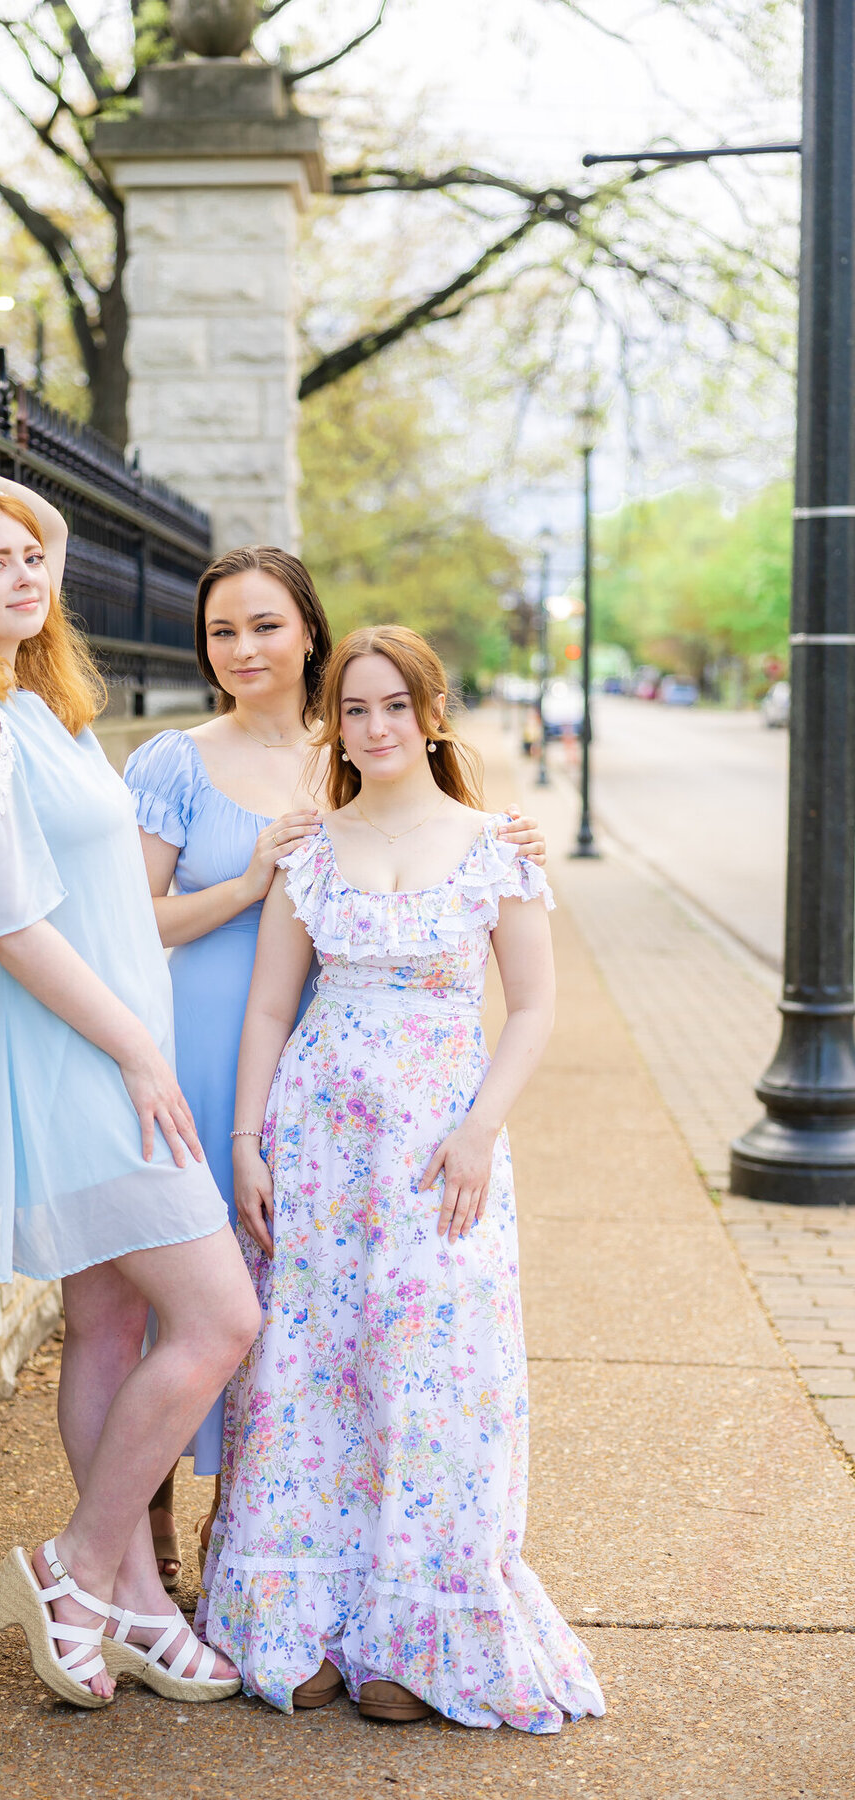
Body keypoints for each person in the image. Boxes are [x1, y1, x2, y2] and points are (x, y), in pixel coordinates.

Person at [0, 460, 259, 1709]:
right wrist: (138, 1048)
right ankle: (80, 1566)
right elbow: (6, 923)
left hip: (106, 1048)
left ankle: (140, 1617)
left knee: (111, 1324)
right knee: (220, 1319)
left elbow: (48, 525)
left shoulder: (38, 708)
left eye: (31, 560)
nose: (27, 571)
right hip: (73, 1060)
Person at [202, 625, 605, 1730]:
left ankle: (414, 1628)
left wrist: (481, 1128)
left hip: (439, 1144)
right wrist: (246, 1143)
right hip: (319, 1140)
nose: (374, 728)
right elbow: (273, 1006)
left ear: (432, 716)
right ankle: (305, 1614)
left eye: (394, 707)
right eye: (355, 708)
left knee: (434, 1370)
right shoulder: (309, 849)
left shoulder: (497, 846)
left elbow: (531, 1007)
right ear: (336, 722)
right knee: (313, 1365)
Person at [125, 549, 548, 1588]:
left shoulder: (373, 780)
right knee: (245, 1326)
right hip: (245, 1080)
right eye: (222, 631)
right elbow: (154, 936)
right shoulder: (214, 781)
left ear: (308, 632)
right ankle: (177, 1550)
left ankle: (394, 1582)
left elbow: (528, 989)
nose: (242, 649)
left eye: (264, 625)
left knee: (385, 1344)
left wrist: (479, 1127)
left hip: (402, 1109)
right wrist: (250, 881)